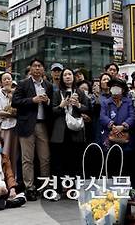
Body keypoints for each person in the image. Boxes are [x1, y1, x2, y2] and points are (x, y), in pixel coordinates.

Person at [12, 58, 53, 201]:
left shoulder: (48, 85)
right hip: (26, 125)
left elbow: (52, 105)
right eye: (34, 66)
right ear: (30, 69)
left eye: (39, 66)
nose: (37, 68)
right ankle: (29, 187)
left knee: (45, 157)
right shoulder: (23, 84)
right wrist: (32, 100)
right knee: (27, 158)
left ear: (43, 69)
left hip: (43, 124)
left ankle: (45, 186)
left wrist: (47, 101)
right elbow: (15, 102)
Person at [50, 67, 90, 195]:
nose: (67, 76)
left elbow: (87, 109)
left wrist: (77, 105)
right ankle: (57, 190)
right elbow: (51, 112)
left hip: (76, 133)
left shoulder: (80, 92)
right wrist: (62, 106)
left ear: (73, 77)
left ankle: (74, 190)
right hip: (60, 133)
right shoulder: (56, 92)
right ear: (62, 78)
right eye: (65, 74)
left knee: (76, 163)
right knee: (58, 163)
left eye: (70, 74)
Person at [99, 77, 135, 177]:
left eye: (118, 87)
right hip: (110, 138)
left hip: (126, 139)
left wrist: (123, 126)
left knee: (126, 165)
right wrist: (113, 126)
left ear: (123, 89)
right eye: (113, 87)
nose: (115, 89)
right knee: (111, 165)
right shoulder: (105, 102)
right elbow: (102, 117)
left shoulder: (128, 101)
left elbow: (132, 116)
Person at [0, 72, 18, 179]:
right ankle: (1, 178)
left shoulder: (17, 93)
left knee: (15, 154)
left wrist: (9, 113)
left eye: (9, 79)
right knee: (4, 153)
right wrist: (12, 114)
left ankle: (13, 179)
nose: (7, 81)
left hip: (16, 127)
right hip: (4, 127)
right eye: (4, 79)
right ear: (1, 82)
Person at [0, 134, 26, 208]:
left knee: (21, 186)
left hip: (3, 185)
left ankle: (10, 198)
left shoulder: (5, 158)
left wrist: (12, 189)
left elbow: (9, 174)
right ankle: (6, 202)